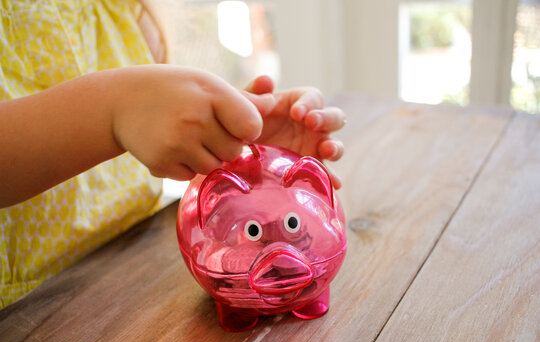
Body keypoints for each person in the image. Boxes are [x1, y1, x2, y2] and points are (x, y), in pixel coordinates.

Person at [0, 0, 346, 308]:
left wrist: (239, 144)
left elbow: (150, 129)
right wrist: (113, 111)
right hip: (24, 315)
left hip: (137, 282)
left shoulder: (126, 9)